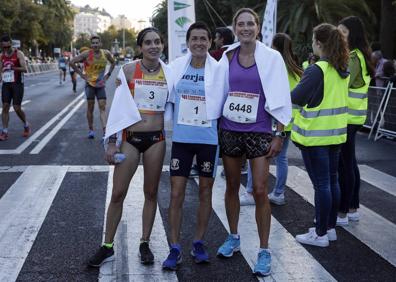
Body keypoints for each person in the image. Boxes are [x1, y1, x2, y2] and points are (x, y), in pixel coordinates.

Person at [87, 27, 173, 267]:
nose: (153, 46)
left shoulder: (170, 73)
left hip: (156, 139)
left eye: (157, 42)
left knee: (151, 193)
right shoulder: (127, 70)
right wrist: (111, 143)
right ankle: (107, 246)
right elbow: (117, 109)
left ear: (162, 45)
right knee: (117, 194)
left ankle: (144, 242)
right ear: (140, 47)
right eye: (148, 43)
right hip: (131, 138)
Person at [217, 8, 292, 276]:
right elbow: (217, 92)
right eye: (241, 24)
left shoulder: (272, 58)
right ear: (235, 27)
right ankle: (233, 237)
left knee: (260, 190)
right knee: (232, 187)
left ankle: (263, 250)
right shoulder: (227, 56)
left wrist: (279, 133)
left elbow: (282, 95)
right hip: (230, 129)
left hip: (260, 130)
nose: (246, 28)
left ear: (258, 27)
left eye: (250, 24)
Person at [162, 22, 224, 271]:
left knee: (205, 192)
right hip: (182, 140)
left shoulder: (219, 70)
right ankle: (175, 246)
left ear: (210, 42)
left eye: (203, 38)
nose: (199, 42)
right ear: (187, 42)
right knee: (176, 193)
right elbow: (156, 83)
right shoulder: (176, 67)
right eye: (194, 38)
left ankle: (198, 242)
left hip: (208, 140)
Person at [292, 23, 349, 247]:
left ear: (319, 43)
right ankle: (330, 228)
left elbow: (296, 97)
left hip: (315, 136)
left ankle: (320, 233)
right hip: (335, 135)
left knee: (322, 185)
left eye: (314, 40)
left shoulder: (318, 69)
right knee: (332, 181)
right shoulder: (341, 68)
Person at [241, 33, 303, 206]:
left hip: (273, 121)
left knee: (257, 156)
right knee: (282, 159)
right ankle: (278, 193)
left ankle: (251, 192)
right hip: (290, 122)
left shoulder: (272, 66)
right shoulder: (297, 71)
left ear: (275, 47)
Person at [336, 16, 374, 225]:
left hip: (348, 117)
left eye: (343, 32)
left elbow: (343, 82)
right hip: (353, 116)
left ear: (353, 33)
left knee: (345, 165)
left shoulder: (353, 57)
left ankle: (343, 211)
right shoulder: (359, 55)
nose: (339, 35)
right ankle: (352, 208)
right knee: (350, 163)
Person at [70, 35, 116, 139]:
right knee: (90, 108)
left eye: (97, 43)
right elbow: (72, 62)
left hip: (100, 85)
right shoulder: (86, 54)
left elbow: (113, 63)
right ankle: (91, 129)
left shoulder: (106, 53)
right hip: (90, 84)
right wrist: (81, 74)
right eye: (93, 43)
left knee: (102, 107)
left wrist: (108, 75)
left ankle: (105, 131)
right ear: (91, 45)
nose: (95, 45)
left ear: (100, 44)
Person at [0, 34, 30, 141]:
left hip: (17, 84)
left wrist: (12, 67)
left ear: (11, 44)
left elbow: (25, 69)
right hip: (6, 84)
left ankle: (26, 124)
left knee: (17, 108)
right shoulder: (1, 56)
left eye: (8, 47)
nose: (6, 49)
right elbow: (0, 70)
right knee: (5, 106)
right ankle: (4, 131)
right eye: (4, 47)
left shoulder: (18, 54)